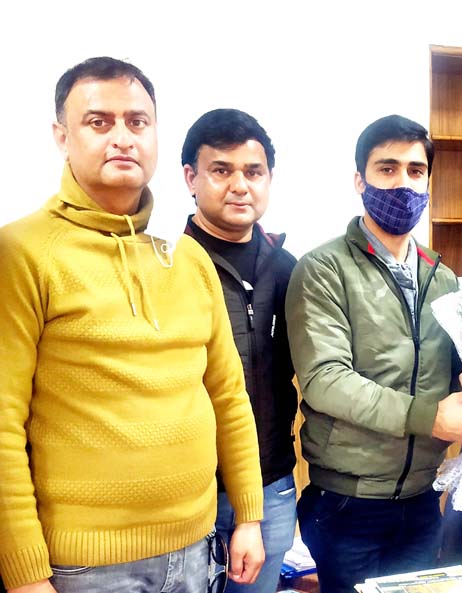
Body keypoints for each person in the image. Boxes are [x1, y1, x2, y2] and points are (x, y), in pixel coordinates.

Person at [0, 57, 265, 593]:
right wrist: (24, 573)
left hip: (197, 551)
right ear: (62, 136)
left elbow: (228, 397)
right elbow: (3, 424)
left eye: (137, 122)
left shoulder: (187, 260)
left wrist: (250, 516)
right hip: (84, 569)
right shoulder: (21, 253)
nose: (121, 137)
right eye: (99, 122)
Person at [285, 114, 462, 593]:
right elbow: (326, 379)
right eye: (387, 169)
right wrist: (427, 417)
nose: (403, 184)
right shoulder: (323, 268)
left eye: (415, 171)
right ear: (359, 180)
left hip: (421, 500)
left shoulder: (445, 278)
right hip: (347, 502)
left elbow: (458, 370)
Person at [181, 108, 298, 593]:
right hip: (194, 492)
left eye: (253, 172)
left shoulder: (289, 267)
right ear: (191, 177)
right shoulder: (168, 266)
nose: (240, 185)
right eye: (221, 170)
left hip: (271, 484)